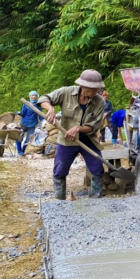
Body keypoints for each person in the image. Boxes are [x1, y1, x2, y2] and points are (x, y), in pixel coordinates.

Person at [38, 69, 107, 199]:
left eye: (97, 88)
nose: (96, 91)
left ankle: (95, 199)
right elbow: (44, 98)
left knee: (97, 167)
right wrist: (50, 108)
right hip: (66, 140)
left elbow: (93, 126)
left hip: (88, 139)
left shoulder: (100, 102)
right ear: (83, 86)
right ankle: (60, 200)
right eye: (92, 88)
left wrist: (78, 129)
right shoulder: (66, 92)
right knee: (60, 170)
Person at [16, 91, 40, 156]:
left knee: (28, 139)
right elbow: (23, 113)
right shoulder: (26, 104)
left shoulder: (38, 105)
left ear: (37, 96)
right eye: (32, 95)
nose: (34, 97)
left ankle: (23, 151)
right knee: (19, 137)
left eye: (35, 95)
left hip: (32, 124)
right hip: (23, 123)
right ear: (29, 96)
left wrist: (43, 123)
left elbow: (40, 115)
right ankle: (19, 150)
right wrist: (19, 113)